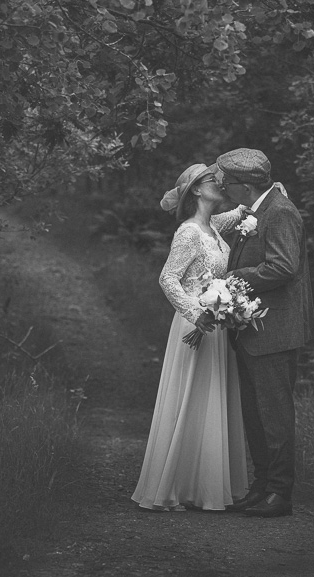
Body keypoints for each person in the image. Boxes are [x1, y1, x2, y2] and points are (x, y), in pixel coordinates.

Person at [131, 163, 248, 511]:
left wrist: (267, 195)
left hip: (216, 325)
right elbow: (168, 279)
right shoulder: (188, 233)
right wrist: (196, 314)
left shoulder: (214, 226)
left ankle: (203, 484)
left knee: (208, 401)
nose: (220, 183)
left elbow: (242, 212)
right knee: (188, 401)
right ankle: (175, 485)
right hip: (194, 325)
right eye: (213, 179)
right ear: (196, 190)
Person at [216, 148, 314, 518]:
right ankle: (261, 486)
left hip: (275, 330)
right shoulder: (258, 210)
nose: (223, 186)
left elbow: (283, 267)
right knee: (255, 414)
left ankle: (280, 493)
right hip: (252, 327)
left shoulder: (280, 212)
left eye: (228, 182)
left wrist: (233, 280)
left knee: (274, 415)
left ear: (245, 185)